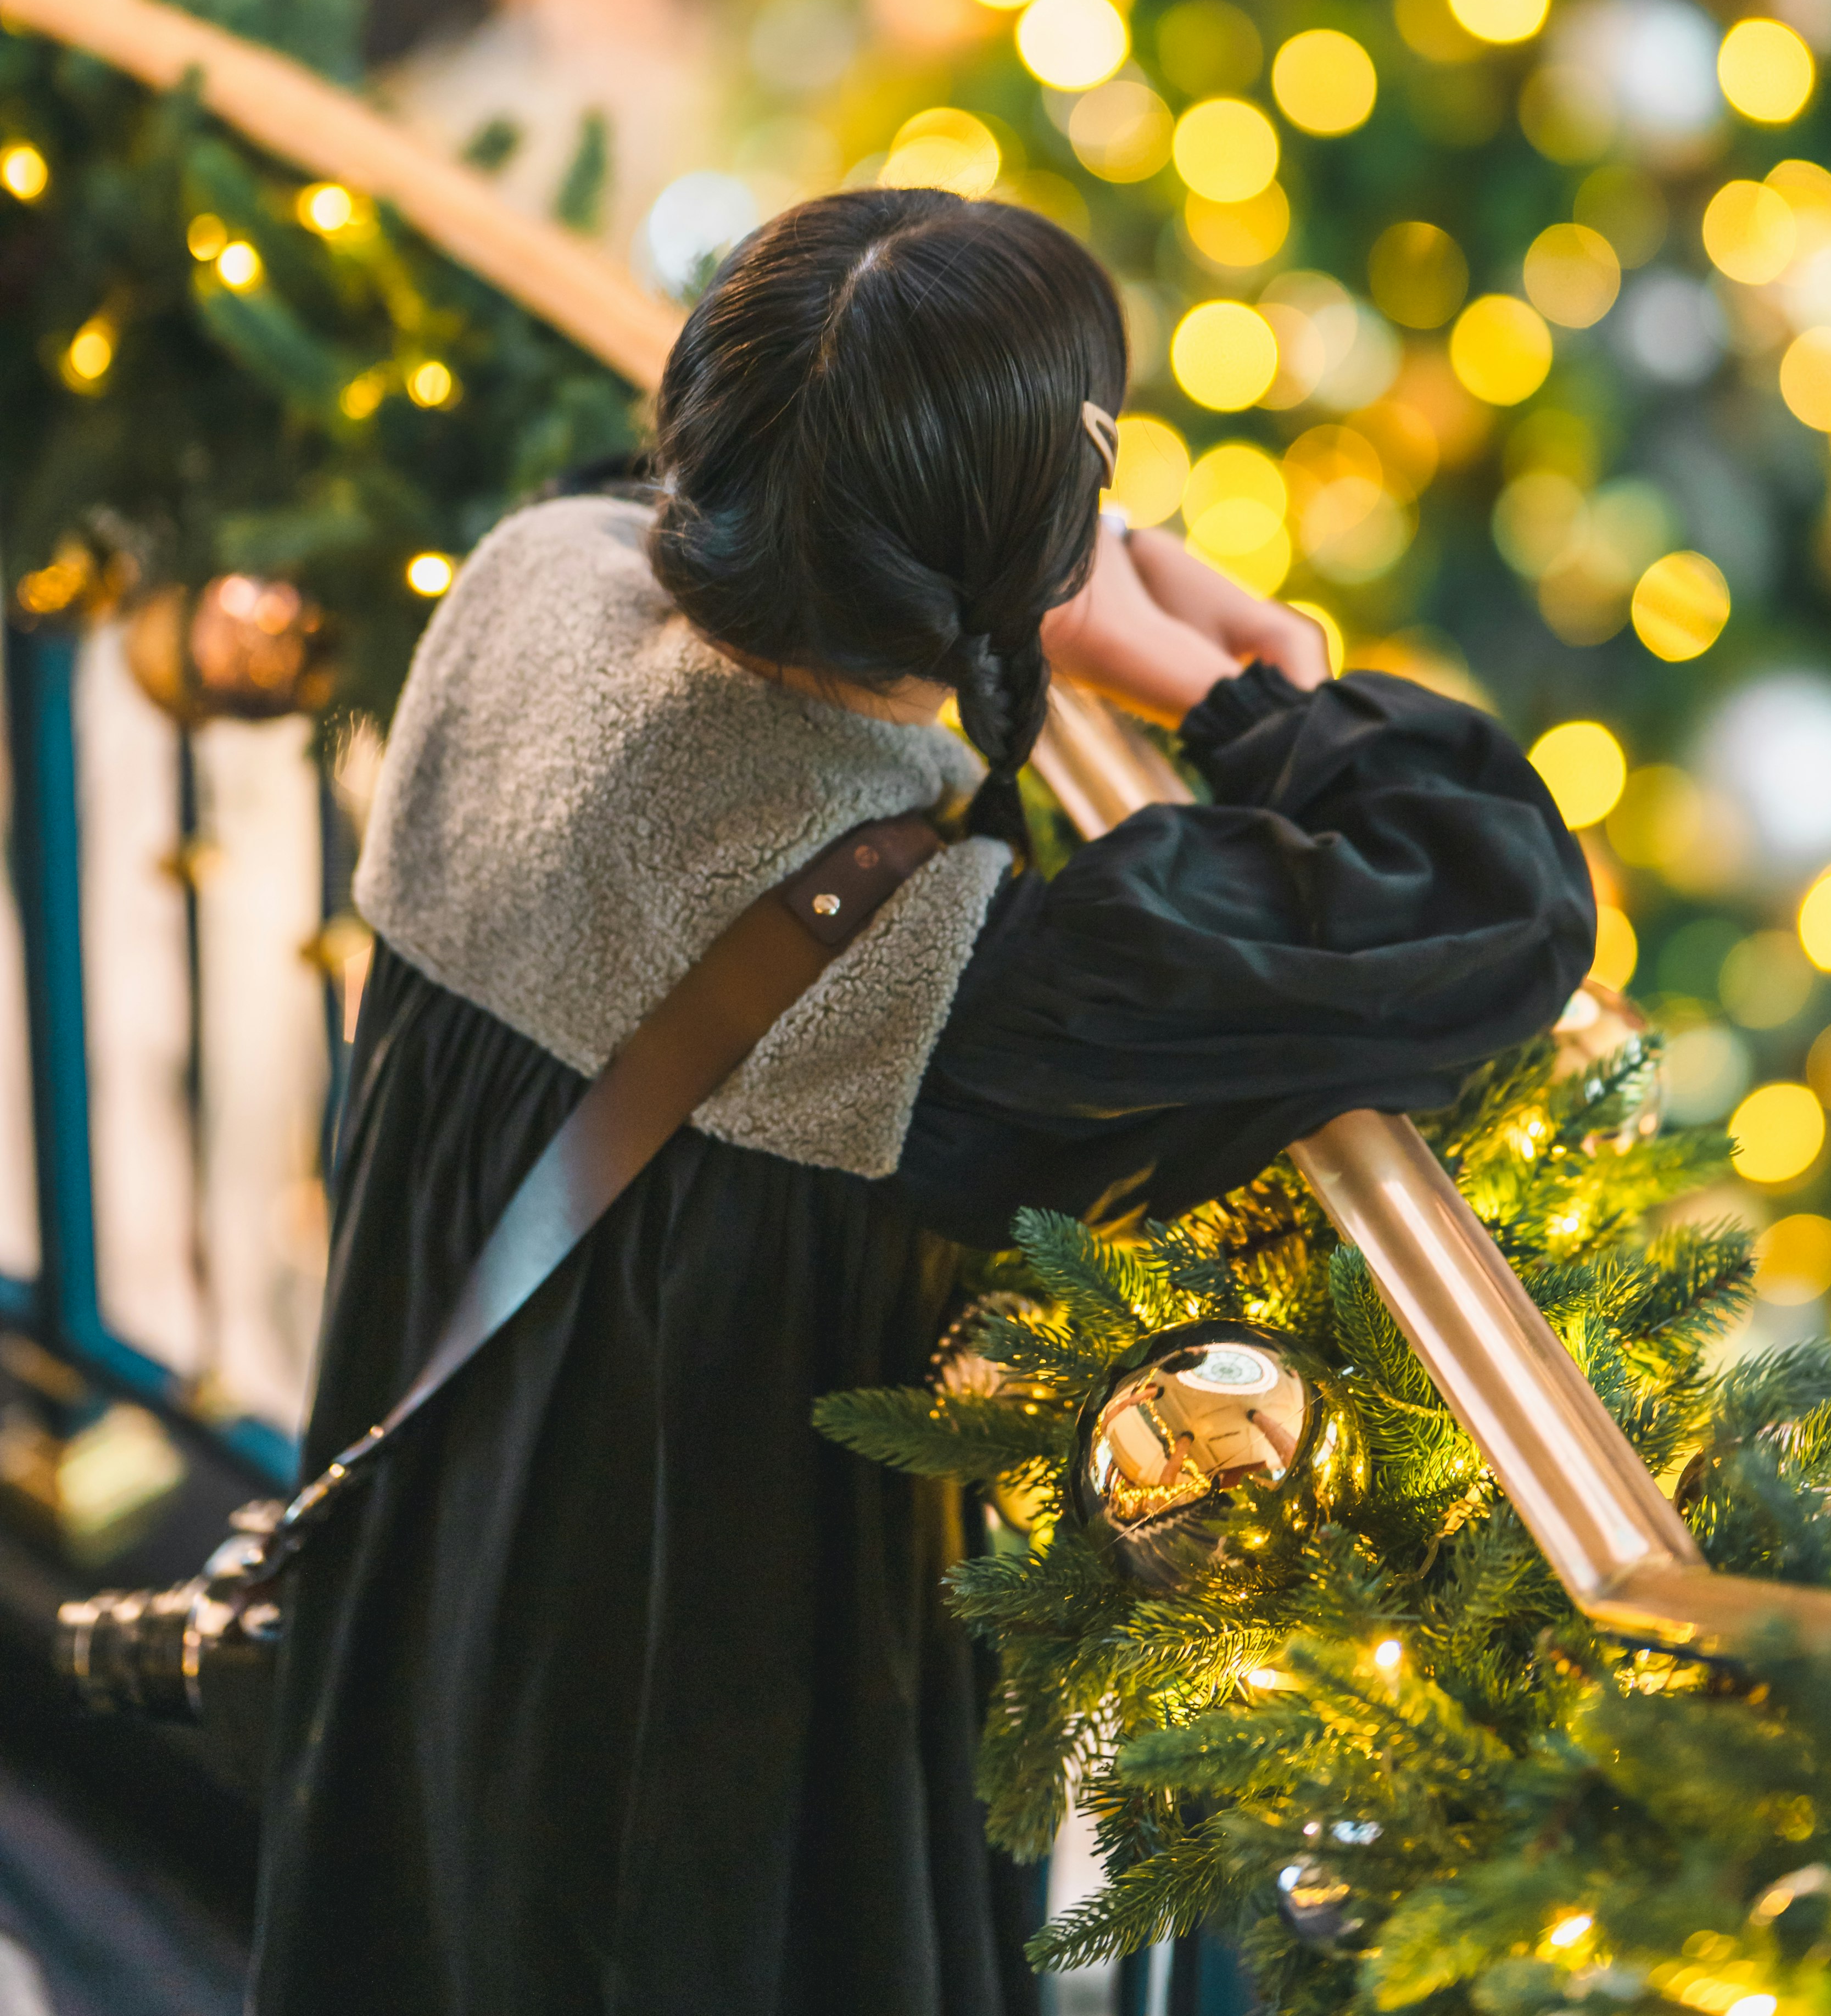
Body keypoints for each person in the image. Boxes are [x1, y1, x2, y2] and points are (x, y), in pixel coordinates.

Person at [250, 188, 1594, 2016]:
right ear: (1029, 558)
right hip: (691, 1776)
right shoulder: (948, 980)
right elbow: (1492, 903)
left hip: (424, 1622)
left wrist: (1014, 566)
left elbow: (642, 497)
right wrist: (1207, 683)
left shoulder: (527, 589)